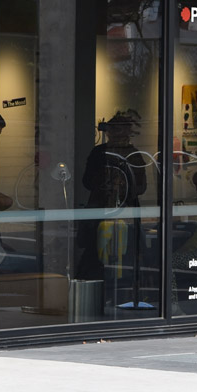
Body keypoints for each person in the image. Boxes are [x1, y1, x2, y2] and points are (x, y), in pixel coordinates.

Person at [77, 109, 148, 280]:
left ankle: (121, 285)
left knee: (126, 252)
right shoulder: (101, 153)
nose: (116, 136)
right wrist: (104, 182)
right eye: (114, 131)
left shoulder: (133, 155)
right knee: (96, 253)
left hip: (123, 212)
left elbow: (141, 186)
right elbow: (87, 181)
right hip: (103, 210)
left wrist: (122, 186)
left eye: (121, 132)